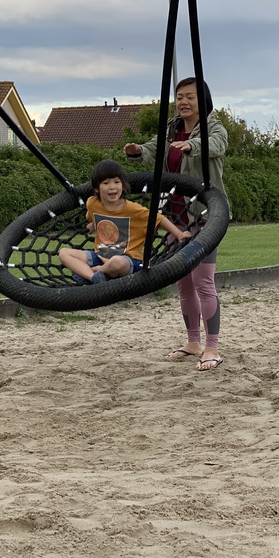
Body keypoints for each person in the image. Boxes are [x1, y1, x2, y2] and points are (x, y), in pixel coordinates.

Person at [123, 77, 229, 372]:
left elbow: (215, 146)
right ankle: (193, 342)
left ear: (202, 100)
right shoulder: (171, 128)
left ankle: (212, 347)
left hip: (205, 215)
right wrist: (138, 150)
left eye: (190, 97)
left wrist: (191, 146)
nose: (183, 102)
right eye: (180, 97)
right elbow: (156, 147)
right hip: (176, 216)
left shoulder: (214, 127)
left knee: (203, 281)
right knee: (183, 282)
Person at [58, 159, 190, 285]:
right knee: (64, 253)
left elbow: (159, 218)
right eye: (106, 183)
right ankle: (94, 277)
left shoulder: (132, 209)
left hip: (128, 259)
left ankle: (94, 271)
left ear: (123, 185)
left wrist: (178, 234)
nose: (112, 187)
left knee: (116, 262)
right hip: (100, 255)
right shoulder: (92, 203)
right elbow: (93, 218)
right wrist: (92, 225)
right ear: (96, 188)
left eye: (116, 182)